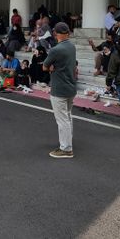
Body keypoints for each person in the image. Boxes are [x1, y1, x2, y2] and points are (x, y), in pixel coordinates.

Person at [42, 22, 77, 158]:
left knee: (62, 120)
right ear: (67, 33)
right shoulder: (72, 47)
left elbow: (45, 66)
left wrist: (51, 67)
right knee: (68, 116)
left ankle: (66, 149)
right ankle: (67, 142)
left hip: (59, 88)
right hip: (70, 86)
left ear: (56, 33)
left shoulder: (56, 49)